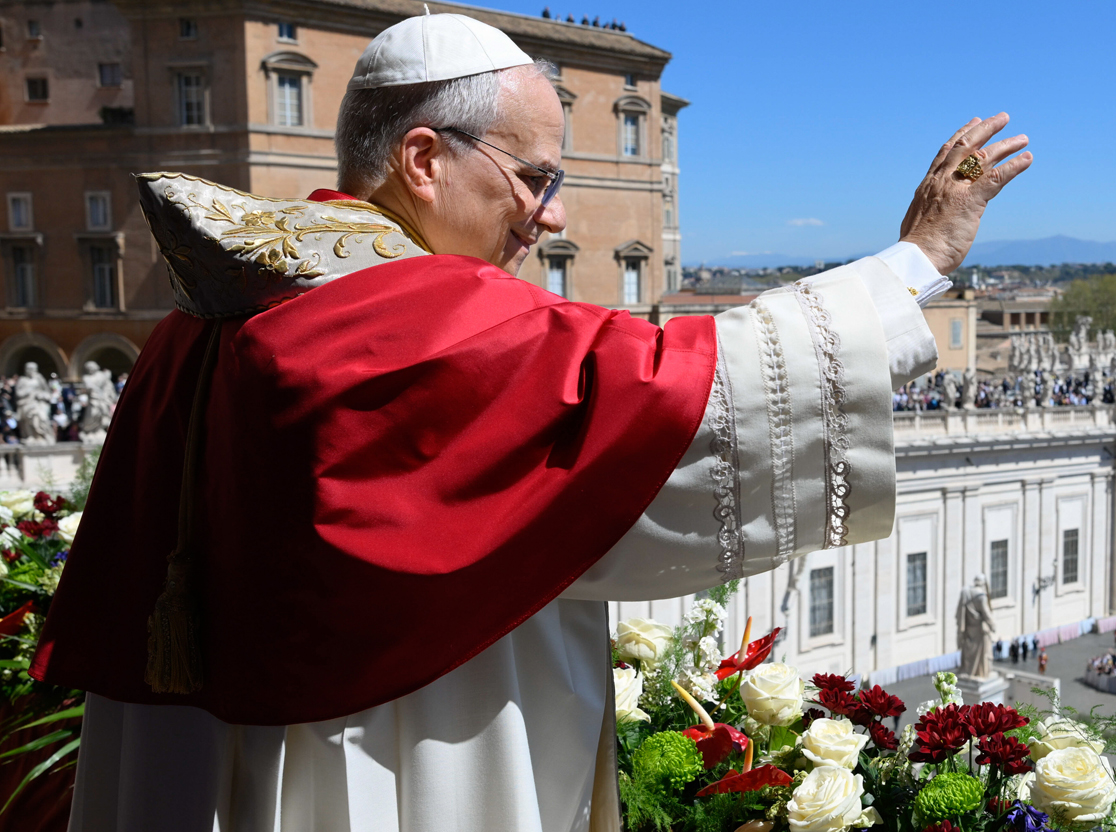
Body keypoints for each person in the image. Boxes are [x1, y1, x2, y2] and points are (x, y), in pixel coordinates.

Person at [34, 13, 1032, 831]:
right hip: (385, 758)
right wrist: (916, 262)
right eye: (534, 176)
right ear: (424, 159)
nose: (550, 215)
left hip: (210, 758)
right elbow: (674, 393)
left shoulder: (215, 307)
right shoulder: (405, 314)